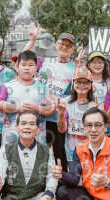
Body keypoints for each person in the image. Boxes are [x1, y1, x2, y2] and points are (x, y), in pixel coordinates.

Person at [23, 28, 83, 170]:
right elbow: (23, 59)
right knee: (38, 153)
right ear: (56, 45)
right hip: (40, 116)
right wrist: (32, 41)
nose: (64, 47)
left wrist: (79, 69)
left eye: (68, 45)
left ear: (72, 49)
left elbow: (79, 91)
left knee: (60, 155)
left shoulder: (75, 66)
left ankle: (61, 181)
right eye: (62, 44)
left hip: (60, 118)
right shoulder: (44, 62)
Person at [0, 51, 56, 148]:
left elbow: (52, 109)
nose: (27, 68)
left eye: (30, 65)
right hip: (11, 137)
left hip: (37, 139)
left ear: (36, 67)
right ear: (17, 66)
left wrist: (38, 108)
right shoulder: (7, 86)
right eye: (23, 65)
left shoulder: (44, 89)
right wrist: (18, 108)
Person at [57, 68, 97, 164]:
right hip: (71, 153)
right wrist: (61, 112)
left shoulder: (96, 103)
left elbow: (99, 131)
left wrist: (94, 112)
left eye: (86, 82)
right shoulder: (65, 103)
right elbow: (61, 130)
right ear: (73, 83)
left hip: (91, 153)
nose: (82, 85)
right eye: (78, 82)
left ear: (91, 85)